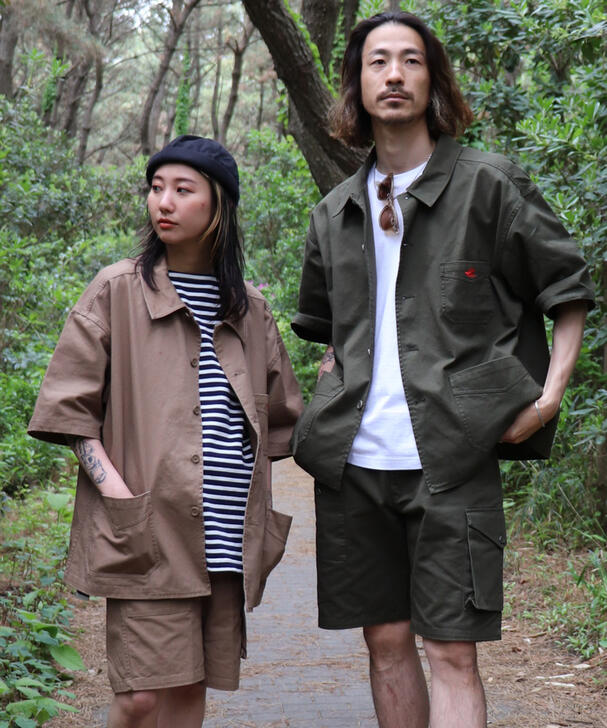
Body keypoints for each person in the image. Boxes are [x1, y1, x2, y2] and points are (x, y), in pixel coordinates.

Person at [290, 12, 593, 728]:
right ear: (356, 85)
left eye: (410, 60)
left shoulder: (490, 185)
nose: (393, 75)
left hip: (452, 459)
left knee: (452, 652)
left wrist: (548, 399)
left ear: (434, 80)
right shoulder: (334, 212)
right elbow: (330, 334)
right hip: (355, 468)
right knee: (385, 642)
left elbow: (567, 293)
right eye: (377, 62)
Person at [28, 134, 303, 728]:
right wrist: (119, 494)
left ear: (219, 205)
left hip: (225, 536)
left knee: (188, 689)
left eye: (183, 189)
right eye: (156, 188)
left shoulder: (250, 310)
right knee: (140, 697)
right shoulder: (116, 290)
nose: (164, 202)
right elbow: (70, 413)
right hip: (150, 531)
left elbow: (283, 420)